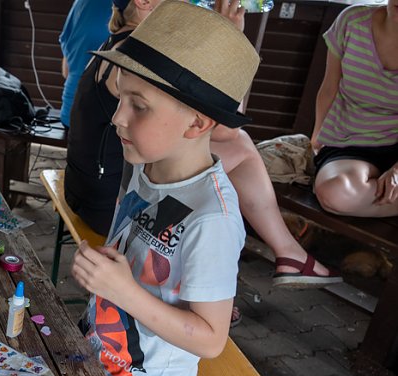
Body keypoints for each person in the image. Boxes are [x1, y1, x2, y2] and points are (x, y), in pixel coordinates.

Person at [71, 1, 259, 376]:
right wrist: (106, 276)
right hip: (102, 357)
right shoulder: (147, 165)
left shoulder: (212, 218)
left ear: (197, 123)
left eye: (138, 106)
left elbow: (211, 340)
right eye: (122, 99)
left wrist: (123, 291)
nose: (118, 117)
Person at [65, 0, 341, 289]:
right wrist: (229, 42)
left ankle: (213, 285)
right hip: (109, 201)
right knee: (240, 147)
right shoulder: (149, 54)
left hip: (85, 187)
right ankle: (282, 252)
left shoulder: (120, 41)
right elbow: (228, 128)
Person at [311, 2, 398, 218]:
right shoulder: (352, 21)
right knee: (334, 193)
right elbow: (329, 87)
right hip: (351, 140)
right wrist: (317, 136)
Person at [58, 0, 113, 128]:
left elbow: (66, 72)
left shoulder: (80, 3)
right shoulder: (128, 9)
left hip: (69, 113)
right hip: (101, 123)